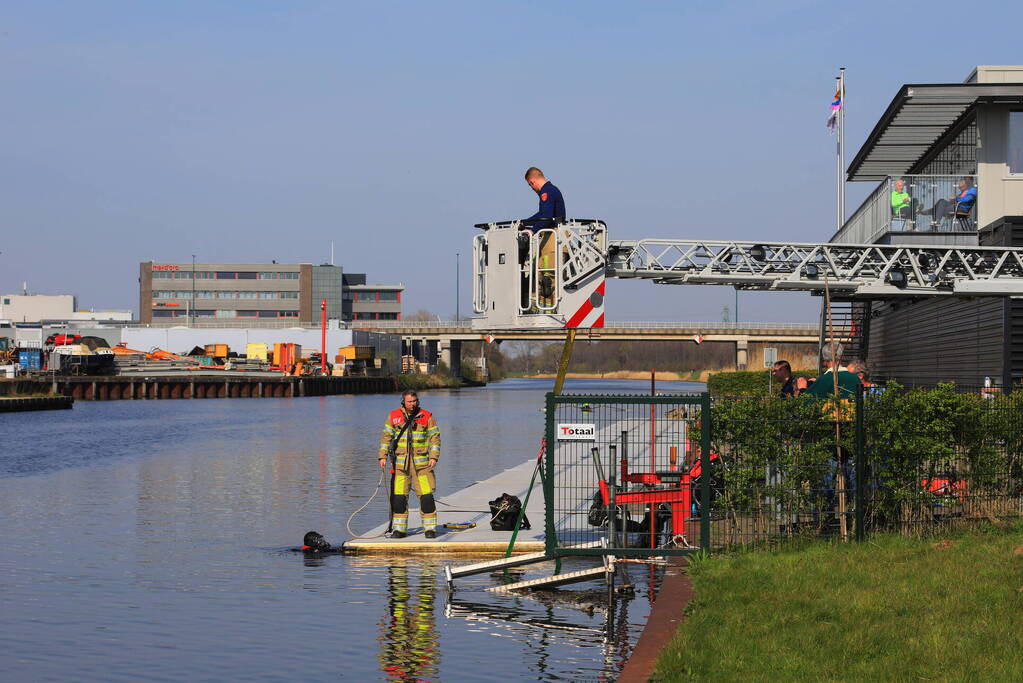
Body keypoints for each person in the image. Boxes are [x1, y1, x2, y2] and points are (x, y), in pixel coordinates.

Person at [379, 390, 442, 538]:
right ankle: (400, 530)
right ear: (403, 402)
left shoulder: (427, 416)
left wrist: (434, 457)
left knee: (426, 497)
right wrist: (382, 457)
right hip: (401, 466)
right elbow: (386, 437)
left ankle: (430, 529)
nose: (412, 404)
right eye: (409, 402)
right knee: (399, 498)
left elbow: (435, 438)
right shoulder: (394, 416)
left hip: (422, 466)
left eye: (414, 401)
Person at [522, 167, 565, 232]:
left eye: (530, 185)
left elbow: (546, 217)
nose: (532, 188)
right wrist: (524, 223)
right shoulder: (551, 189)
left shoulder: (546, 191)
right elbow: (542, 214)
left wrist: (533, 230)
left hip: (554, 234)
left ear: (532, 181)